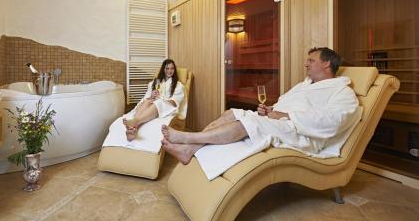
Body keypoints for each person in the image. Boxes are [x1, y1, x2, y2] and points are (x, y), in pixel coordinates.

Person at [162, 47, 360, 165]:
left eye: (311, 61)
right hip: (282, 123)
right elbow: (284, 105)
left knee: (244, 123)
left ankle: (187, 139)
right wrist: (271, 111)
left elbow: (334, 122)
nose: (306, 64)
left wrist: (286, 116)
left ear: (327, 65)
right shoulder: (304, 85)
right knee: (232, 112)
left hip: (302, 134)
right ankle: (189, 150)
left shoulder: (343, 92)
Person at [124, 59, 185, 141]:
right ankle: (132, 131)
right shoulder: (155, 82)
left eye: (172, 68)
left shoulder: (178, 85)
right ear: (163, 69)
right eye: (167, 68)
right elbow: (147, 97)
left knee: (158, 102)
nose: (170, 71)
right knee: (147, 101)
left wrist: (161, 100)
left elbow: (174, 102)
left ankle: (135, 122)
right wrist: (152, 96)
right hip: (155, 103)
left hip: (168, 106)